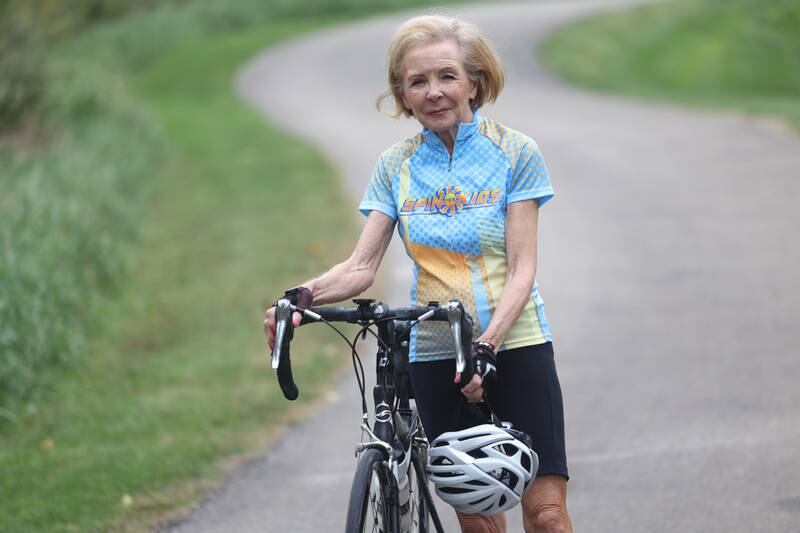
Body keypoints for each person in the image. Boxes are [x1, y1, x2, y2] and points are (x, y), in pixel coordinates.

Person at [265, 14, 572, 533]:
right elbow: (361, 268)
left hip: (514, 343)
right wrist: (300, 297)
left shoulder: (516, 152)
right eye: (417, 81)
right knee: (476, 517)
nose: (434, 92)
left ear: (475, 81)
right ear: (402, 95)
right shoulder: (395, 166)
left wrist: (488, 345)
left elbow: (523, 269)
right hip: (434, 349)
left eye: (447, 76)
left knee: (545, 514)